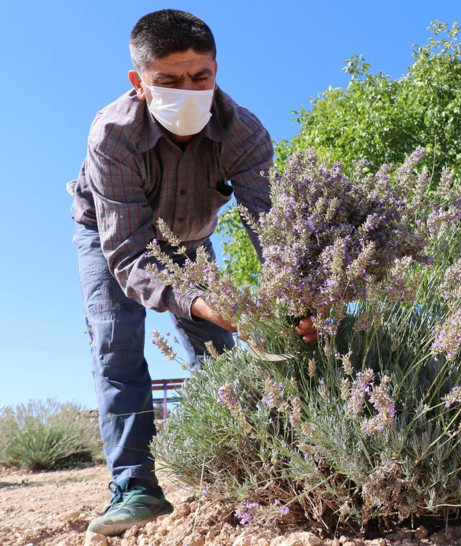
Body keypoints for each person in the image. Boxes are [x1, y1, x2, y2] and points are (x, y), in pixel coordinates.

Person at [69, 9, 316, 536]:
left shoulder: (244, 132)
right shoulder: (111, 135)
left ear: (216, 71)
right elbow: (130, 254)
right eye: (168, 81)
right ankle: (135, 487)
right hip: (112, 237)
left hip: (191, 236)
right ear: (139, 82)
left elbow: (274, 232)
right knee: (116, 341)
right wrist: (201, 300)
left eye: (200, 77)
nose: (188, 90)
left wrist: (299, 303)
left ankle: (227, 468)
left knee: (213, 349)